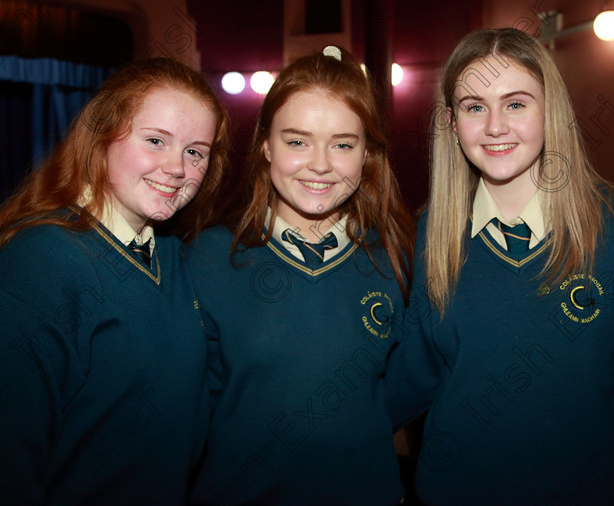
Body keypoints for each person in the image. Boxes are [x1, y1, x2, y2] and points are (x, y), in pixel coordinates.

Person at [385, 27, 614, 505]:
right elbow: (414, 373)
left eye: (515, 103)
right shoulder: (432, 231)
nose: (494, 126)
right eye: (474, 107)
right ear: (451, 122)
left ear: (550, 109)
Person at [186, 45, 415, 505]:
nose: (320, 164)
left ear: (366, 153)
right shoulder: (207, 257)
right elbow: (188, 404)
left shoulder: (396, 258)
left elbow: (404, 391)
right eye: (297, 141)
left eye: (343, 144)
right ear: (266, 145)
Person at [0, 57, 230, 505]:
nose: (177, 168)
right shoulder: (42, 260)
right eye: (155, 140)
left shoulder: (170, 254)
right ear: (102, 136)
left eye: (195, 151)